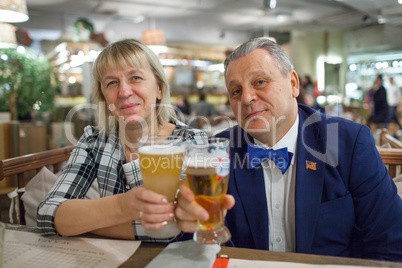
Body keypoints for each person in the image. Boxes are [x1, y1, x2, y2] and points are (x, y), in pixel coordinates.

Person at [176, 37, 402, 261]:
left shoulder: (349, 142)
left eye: (260, 82)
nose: (246, 98)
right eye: (235, 91)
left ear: (293, 84)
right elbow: (197, 242)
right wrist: (187, 220)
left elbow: (390, 242)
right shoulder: (218, 150)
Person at [37, 39, 207, 240]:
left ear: (159, 88)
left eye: (135, 77)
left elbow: (175, 231)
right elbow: (48, 215)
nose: (124, 92)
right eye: (112, 83)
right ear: (103, 95)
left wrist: (85, 223)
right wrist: (121, 207)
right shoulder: (94, 140)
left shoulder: (192, 141)